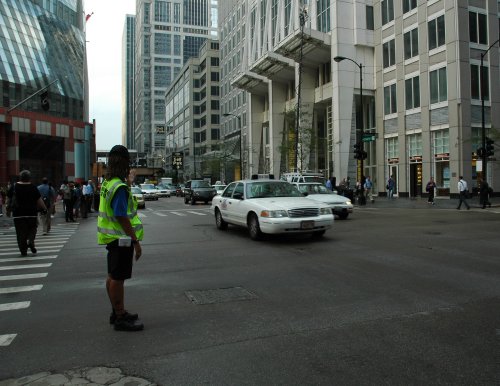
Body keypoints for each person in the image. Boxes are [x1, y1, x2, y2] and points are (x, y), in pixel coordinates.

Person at [97, 145, 144, 331]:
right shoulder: (119, 186)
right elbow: (121, 216)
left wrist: (129, 181)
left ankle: (117, 312)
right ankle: (119, 317)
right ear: (125, 163)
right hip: (121, 239)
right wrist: (135, 241)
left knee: (112, 276)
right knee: (118, 278)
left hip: (112, 238)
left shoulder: (109, 183)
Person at [7, 170, 47, 256]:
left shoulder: (14, 187)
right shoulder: (33, 187)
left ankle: (23, 251)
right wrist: (45, 209)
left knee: (20, 233)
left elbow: (8, 200)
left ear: (20, 177)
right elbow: (39, 200)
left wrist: (8, 210)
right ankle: (31, 240)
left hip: (18, 214)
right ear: (29, 178)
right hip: (31, 213)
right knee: (33, 228)